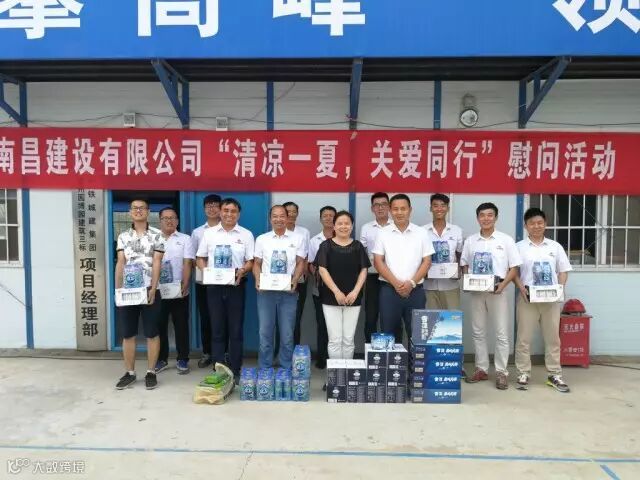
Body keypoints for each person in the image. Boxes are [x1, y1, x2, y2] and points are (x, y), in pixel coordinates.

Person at [461, 202, 522, 390]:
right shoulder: (471, 241)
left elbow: (514, 267)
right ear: (477, 218)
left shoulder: (506, 240)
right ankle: (481, 368)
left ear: (496, 217)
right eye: (482, 215)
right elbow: (464, 264)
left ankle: (502, 372)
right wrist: (468, 280)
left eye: (490, 215)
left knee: (501, 333)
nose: (486, 218)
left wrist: (503, 285)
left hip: (498, 290)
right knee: (478, 331)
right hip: (477, 292)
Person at [196, 198, 254, 383]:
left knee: (236, 329)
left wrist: (243, 270)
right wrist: (205, 271)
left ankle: (236, 369)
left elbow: (250, 261)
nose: (229, 214)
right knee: (217, 329)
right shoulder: (209, 234)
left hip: (236, 285)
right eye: (226, 210)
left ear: (239, 214)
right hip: (214, 287)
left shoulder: (246, 234)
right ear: (220, 212)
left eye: (233, 211)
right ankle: (218, 368)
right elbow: (200, 257)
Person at [514, 207, 572, 393]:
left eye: (540, 223)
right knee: (523, 338)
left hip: (550, 301)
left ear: (545, 224)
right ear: (526, 226)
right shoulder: (519, 247)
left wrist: (559, 289)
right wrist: (521, 288)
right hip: (527, 299)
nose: (536, 226)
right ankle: (523, 373)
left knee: (553, 338)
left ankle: (554, 374)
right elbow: (513, 272)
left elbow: (563, 271)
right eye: (532, 223)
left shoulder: (555, 247)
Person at [114, 198, 165, 390]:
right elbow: (121, 263)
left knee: (152, 332)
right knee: (128, 333)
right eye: (134, 208)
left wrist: (153, 288)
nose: (138, 211)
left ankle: (151, 372)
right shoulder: (123, 236)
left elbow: (157, 261)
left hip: (150, 289)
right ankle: (130, 373)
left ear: (148, 211)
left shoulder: (157, 235)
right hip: (128, 291)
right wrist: (118, 290)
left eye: (142, 208)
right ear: (130, 212)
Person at [373, 194, 434, 344]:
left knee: (417, 334)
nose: (399, 212)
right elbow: (378, 261)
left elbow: (427, 261)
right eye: (395, 209)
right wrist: (396, 284)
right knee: (389, 333)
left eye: (403, 209)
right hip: (389, 290)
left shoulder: (421, 233)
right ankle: (393, 361)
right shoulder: (382, 233)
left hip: (415, 291)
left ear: (410, 210)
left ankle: (414, 361)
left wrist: (411, 283)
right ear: (390, 211)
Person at [253, 205, 306, 369]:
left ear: (287, 217)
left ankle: (286, 368)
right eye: (275, 216)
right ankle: (265, 368)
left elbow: (300, 263)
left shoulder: (297, 238)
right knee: (265, 332)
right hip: (266, 293)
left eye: (282, 216)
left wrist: (295, 279)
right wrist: (258, 279)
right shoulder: (262, 239)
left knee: (287, 334)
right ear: (270, 219)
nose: (278, 219)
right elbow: (257, 263)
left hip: (288, 292)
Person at [317, 211, 370, 362]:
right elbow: (322, 269)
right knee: (334, 339)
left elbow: (364, 270)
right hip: (330, 297)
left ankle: (347, 373)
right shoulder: (325, 245)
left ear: (352, 226)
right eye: (340, 223)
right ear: (334, 226)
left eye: (347, 223)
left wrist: (355, 291)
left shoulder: (358, 246)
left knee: (348, 339)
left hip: (353, 297)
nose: (343, 226)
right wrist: (336, 292)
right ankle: (335, 374)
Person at [155, 207, 193, 375]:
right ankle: (161, 358)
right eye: (165, 218)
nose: (169, 221)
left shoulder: (185, 239)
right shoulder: (153, 238)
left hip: (179, 290)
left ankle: (183, 358)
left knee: (181, 325)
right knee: (159, 325)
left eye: (172, 218)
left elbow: (187, 262)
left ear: (177, 221)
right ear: (160, 221)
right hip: (158, 290)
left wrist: (185, 283)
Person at [190, 194, 222, 368]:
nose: (211, 208)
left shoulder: (227, 229)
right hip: (204, 281)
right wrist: (207, 270)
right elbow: (194, 257)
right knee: (206, 317)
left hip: (224, 281)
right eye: (208, 206)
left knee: (223, 318)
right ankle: (207, 352)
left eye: (215, 205)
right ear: (204, 209)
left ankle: (223, 353)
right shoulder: (197, 232)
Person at [359, 192, 392, 343]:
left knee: (391, 315)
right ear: (372, 208)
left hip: (393, 277)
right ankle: (370, 349)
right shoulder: (366, 228)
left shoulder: (396, 226)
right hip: (372, 276)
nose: (380, 208)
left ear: (389, 207)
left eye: (384, 204)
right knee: (371, 315)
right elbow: (362, 253)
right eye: (377, 205)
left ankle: (392, 351)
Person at [307, 206, 337, 369]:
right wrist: (317, 273)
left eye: (331, 215)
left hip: (340, 290)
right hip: (320, 289)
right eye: (325, 216)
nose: (328, 218)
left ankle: (337, 359)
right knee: (322, 323)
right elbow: (310, 264)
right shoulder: (314, 240)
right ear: (320, 219)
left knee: (337, 326)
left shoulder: (343, 237)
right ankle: (322, 358)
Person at [423, 193, 463, 310]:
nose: (439, 209)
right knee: (431, 319)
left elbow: (459, 254)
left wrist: (458, 271)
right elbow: (418, 256)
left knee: (451, 319)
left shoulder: (456, 230)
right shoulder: (422, 231)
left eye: (443, 205)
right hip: (428, 286)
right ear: (430, 208)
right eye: (435, 205)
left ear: (448, 208)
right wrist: (423, 273)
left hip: (450, 286)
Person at [283, 201, 310, 346]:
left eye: (294, 211)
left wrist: (301, 275)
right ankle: (280, 351)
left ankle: (294, 350)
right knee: (281, 318)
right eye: (288, 211)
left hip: (299, 280)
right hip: (280, 280)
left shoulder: (304, 232)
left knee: (296, 316)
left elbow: (306, 256)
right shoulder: (277, 231)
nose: (291, 214)